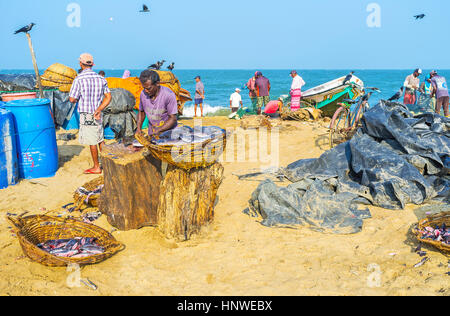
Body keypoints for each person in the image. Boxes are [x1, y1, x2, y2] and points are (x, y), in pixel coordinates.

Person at [69, 53, 112, 175]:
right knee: (100, 138)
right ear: (92, 64)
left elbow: (72, 99)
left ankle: (96, 167)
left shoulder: (79, 79)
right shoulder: (101, 79)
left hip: (87, 114)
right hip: (98, 113)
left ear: (80, 64)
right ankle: (107, 164)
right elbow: (108, 97)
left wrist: (78, 98)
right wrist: (99, 109)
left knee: (92, 140)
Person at [136, 70, 178, 136]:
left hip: (169, 134)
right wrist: (138, 129)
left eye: (149, 88)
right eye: (144, 88)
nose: (146, 91)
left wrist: (159, 130)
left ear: (157, 83)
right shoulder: (143, 94)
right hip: (152, 134)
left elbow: (173, 118)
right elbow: (141, 112)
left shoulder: (168, 95)